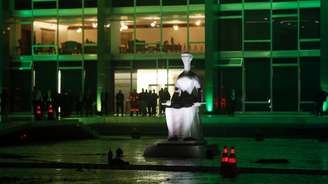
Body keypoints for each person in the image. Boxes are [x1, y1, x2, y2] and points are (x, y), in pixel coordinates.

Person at [164, 53, 203, 141]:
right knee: (169, 109)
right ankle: (173, 134)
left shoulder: (194, 76)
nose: (185, 60)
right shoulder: (180, 76)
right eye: (183, 58)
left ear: (190, 59)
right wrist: (171, 101)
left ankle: (187, 134)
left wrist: (199, 101)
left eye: (187, 58)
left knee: (187, 107)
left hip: (190, 98)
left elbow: (199, 90)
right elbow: (176, 92)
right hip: (181, 99)